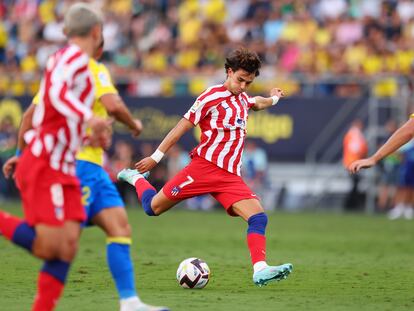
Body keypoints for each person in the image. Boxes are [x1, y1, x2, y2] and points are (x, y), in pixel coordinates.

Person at [3, 33, 169, 311]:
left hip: (93, 169)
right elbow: (114, 106)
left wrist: (21, 154)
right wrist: (133, 124)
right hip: (75, 167)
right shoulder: (94, 70)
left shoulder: (58, 73)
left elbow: (29, 117)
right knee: (54, 246)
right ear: (99, 48)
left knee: (119, 226)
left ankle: (129, 301)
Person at [118, 47, 293, 286]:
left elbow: (258, 103)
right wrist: (155, 158)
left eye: (248, 83)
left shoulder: (242, 99)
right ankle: (136, 178)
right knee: (152, 208)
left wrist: (274, 97)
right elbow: (181, 127)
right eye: (240, 80)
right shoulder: (210, 96)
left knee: (259, 218)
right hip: (202, 169)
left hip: (230, 177)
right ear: (229, 72)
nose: (243, 86)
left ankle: (260, 269)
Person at [0, 3, 109, 310]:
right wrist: (89, 117)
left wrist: (91, 134)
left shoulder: (70, 61)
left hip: (62, 165)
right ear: (97, 32)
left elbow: (53, 112)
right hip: (46, 164)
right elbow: (60, 96)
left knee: (67, 246)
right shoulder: (73, 59)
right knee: (50, 246)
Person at [348, 114, 414, 216]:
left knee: (401, 186)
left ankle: (403, 207)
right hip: (391, 164)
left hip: (398, 164)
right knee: (397, 186)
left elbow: (410, 129)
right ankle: (389, 207)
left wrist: (374, 158)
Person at [342, 119, 368, 210]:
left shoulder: (350, 134)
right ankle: (350, 205)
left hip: (350, 162)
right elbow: (357, 149)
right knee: (355, 184)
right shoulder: (355, 135)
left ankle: (351, 204)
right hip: (353, 163)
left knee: (355, 184)